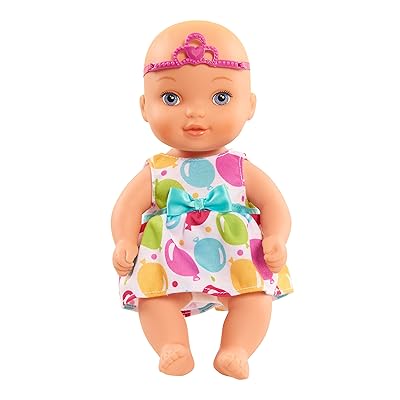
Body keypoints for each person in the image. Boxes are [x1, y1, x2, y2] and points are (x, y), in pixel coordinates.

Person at [111, 20, 293, 379]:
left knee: (255, 297)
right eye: (171, 98)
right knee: (155, 299)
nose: (195, 112)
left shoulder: (239, 167)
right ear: (145, 107)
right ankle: (172, 346)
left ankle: (236, 349)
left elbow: (274, 204)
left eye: (220, 97)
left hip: (237, 253)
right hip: (169, 256)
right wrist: (123, 240)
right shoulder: (157, 169)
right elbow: (127, 208)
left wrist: (276, 237)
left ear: (250, 105)